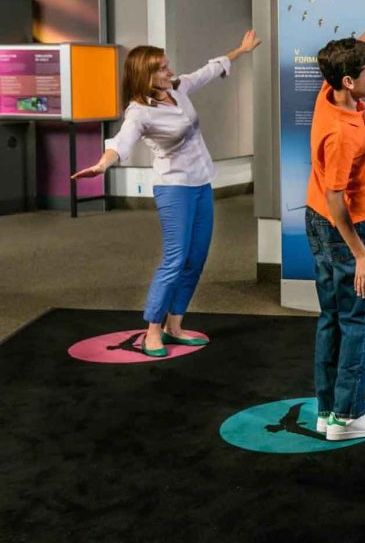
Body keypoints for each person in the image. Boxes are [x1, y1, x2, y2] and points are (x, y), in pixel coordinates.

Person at [73, 31, 262, 357]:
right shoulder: (139, 112)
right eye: (161, 68)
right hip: (174, 189)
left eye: (167, 65)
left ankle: (175, 324)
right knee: (175, 260)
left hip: (201, 183)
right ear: (145, 75)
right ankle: (152, 331)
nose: (169, 71)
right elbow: (121, 142)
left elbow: (210, 69)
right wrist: (103, 165)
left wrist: (241, 50)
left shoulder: (179, 88)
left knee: (196, 259)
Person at [305, 3, 365, 441]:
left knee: (332, 316)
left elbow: (350, 59)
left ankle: (327, 409)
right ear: (350, 81)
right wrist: (360, 253)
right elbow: (335, 197)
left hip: (317, 223)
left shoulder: (328, 93)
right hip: (346, 226)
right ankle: (348, 416)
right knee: (358, 318)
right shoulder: (345, 133)